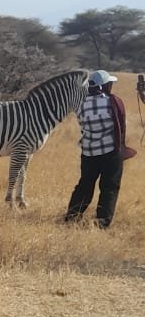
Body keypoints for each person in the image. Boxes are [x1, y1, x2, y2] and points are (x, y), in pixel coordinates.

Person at [63, 70, 130, 229]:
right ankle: (102, 222)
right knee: (109, 187)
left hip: (88, 152)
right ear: (105, 85)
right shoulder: (113, 101)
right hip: (110, 152)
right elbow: (120, 126)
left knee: (85, 185)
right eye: (110, 83)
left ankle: (72, 217)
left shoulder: (80, 104)